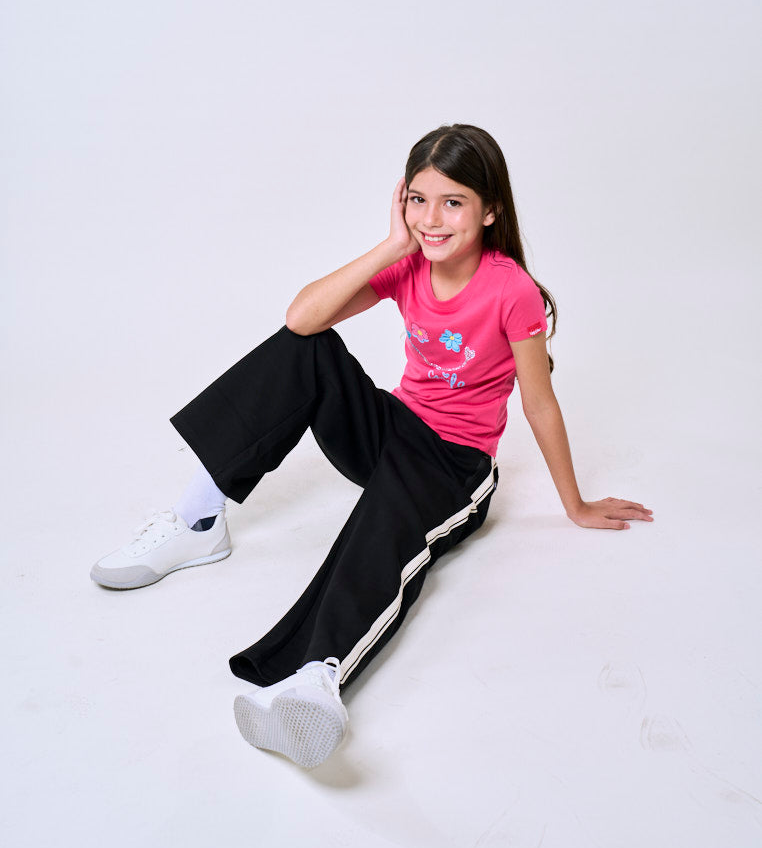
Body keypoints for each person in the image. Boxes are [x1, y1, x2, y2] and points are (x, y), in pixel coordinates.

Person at [91, 123, 653, 769]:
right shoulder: (409, 263)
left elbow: (539, 403)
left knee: (376, 534)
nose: (431, 219)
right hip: (391, 427)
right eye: (418, 200)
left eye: (453, 202)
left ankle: (317, 679)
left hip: (453, 465)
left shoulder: (510, 290)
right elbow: (300, 319)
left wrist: (575, 505)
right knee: (307, 349)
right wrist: (391, 246)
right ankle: (198, 519)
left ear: (490, 210)